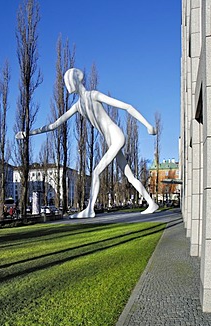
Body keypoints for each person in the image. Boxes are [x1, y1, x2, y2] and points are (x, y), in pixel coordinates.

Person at [16, 68, 159, 218]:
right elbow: (54, 125)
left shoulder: (94, 95)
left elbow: (126, 106)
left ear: (75, 81)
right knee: (129, 175)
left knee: (96, 172)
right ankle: (152, 203)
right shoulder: (78, 106)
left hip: (116, 136)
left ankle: (90, 209)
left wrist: (147, 125)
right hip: (110, 140)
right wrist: (28, 133)